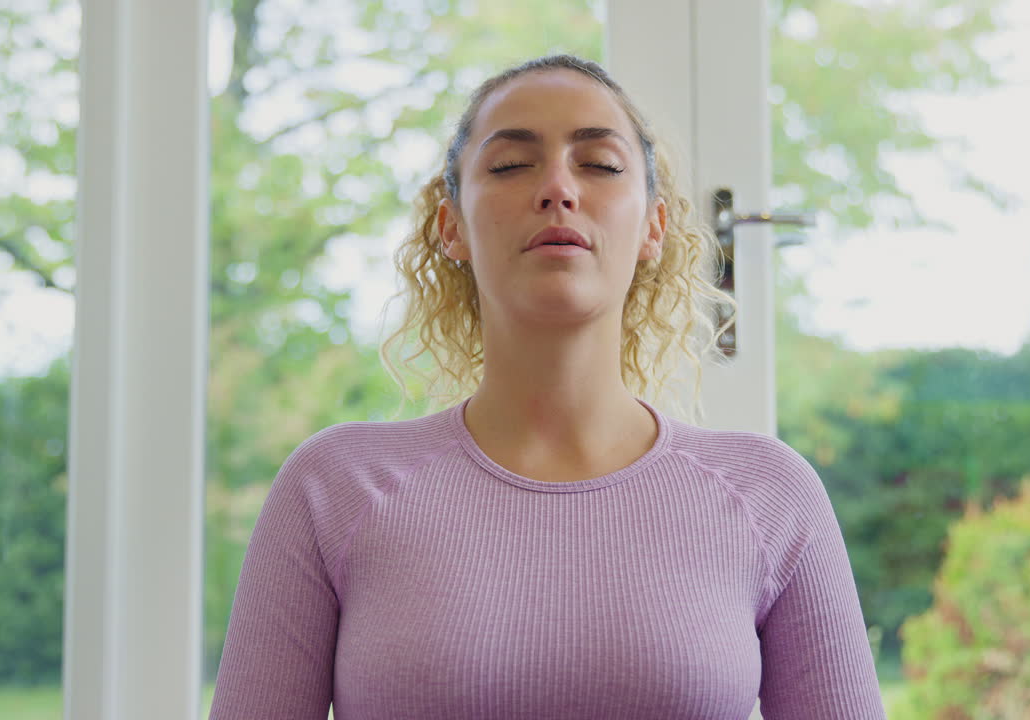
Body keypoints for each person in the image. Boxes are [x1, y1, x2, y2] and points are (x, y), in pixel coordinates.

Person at [208, 54, 886, 720]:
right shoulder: (332, 487)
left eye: (600, 164)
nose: (558, 188)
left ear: (654, 227)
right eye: (509, 165)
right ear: (452, 228)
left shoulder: (770, 493)